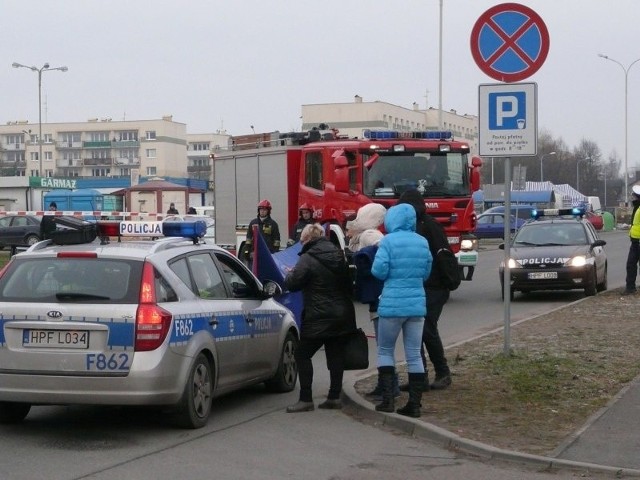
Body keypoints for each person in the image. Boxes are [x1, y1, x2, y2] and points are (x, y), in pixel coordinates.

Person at [284, 223, 356, 412]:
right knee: (335, 354)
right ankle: (334, 396)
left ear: (307, 239)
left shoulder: (307, 258)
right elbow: (349, 283)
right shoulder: (338, 254)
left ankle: (306, 399)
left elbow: (293, 284)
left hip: (318, 315)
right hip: (342, 314)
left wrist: (289, 273)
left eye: (301, 241)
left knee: (302, 354)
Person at [371, 203, 432, 418]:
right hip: (416, 305)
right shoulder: (422, 242)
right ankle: (414, 404)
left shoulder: (387, 241)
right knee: (414, 353)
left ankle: (387, 400)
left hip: (392, 304)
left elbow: (378, 271)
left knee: (385, 351)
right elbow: (426, 272)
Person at [398, 189, 453, 391]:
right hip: (418, 286)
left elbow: (441, 256)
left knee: (426, 329)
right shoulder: (410, 228)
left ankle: (443, 372)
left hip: (435, 286)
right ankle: (419, 376)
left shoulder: (430, 226)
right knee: (415, 331)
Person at [623, 184, 640, 295]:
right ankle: (630, 287)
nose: (632, 197)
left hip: (638, 241)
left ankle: (630, 288)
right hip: (635, 241)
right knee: (631, 265)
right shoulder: (637, 207)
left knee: (631, 264)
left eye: (634, 196)